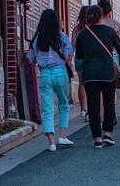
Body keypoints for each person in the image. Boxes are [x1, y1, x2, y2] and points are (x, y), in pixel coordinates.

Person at [75, 5, 120, 148]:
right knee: (109, 104)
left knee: (93, 106)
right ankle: (107, 134)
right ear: (101, 16)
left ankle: (97, 138)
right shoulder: (109, 31)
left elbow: (79, 56)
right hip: (107, 73)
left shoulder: (82, 34)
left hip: (89, 74)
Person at [25, 9, 75, 151]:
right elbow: (67, 55)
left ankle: (51, 143)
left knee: (47, 109)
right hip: (60, 72)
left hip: (45, 74)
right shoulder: (61, 37)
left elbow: (29, 60)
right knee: (64, 105)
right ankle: (63, 136)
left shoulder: (37, 39)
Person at [71, 5, 90, 122]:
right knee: (92, 84)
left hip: (79, 58)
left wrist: (69, 59)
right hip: (90, 58)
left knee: (81, 83)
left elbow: (72, 44)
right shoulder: (92, 28)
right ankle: (91, 109)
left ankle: (83, 109)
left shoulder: (77, 29)